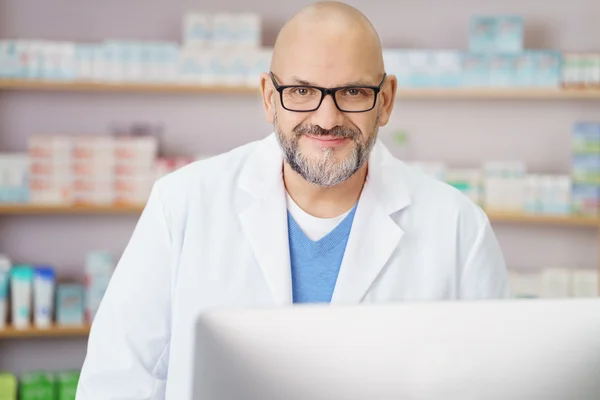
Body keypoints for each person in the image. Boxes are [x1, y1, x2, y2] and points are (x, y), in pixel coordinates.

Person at [76, 2, 509, 399]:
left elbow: (498, 384)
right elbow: (117, 379)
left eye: (353, 92)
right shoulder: (182, 204)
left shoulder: (458, 229)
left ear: (386, 100)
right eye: (302, 92)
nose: (327, 118)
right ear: (269, 97)